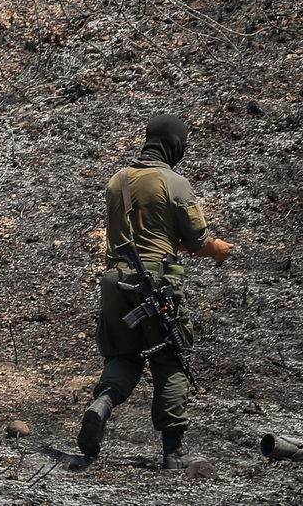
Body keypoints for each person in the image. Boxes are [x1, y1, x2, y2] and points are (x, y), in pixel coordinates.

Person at [77, 115, 233, 469]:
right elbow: (197, 241)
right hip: (157, 283)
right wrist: (220, 250)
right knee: (170, 360)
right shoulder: (173, 182)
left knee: (123, 357)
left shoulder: (117, 181)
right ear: (174, 145)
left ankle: (102, 403)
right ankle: (174, 450)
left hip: (115, 282)